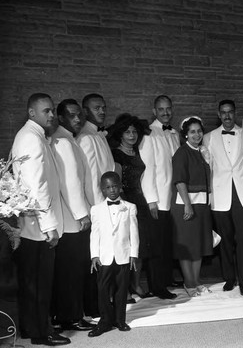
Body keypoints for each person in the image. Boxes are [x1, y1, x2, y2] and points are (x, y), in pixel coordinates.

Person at [11, 93, 70, 346]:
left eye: (52, 110)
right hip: (37, 227)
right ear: (31, 113)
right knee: (39, 283)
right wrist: (49, 226)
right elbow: (36, 186)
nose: (51, 115)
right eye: (46, 111)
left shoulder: (33, 136)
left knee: (36, 281)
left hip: (34, 225)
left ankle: (33, 327)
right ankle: (40, 332)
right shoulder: (31, 139)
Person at [51, 99, 95, 332]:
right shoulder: (64, 142)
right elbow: (70, 183)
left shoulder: (68, 139)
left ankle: (70, 314)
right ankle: (71, 317)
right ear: (61, 117)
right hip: (71, 220)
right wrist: (82, 214)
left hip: (72, 217)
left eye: (79, 115)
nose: (77, 119)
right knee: (73, 271)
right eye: (71, 115)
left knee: (74, 270)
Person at [203, 100, 243, 296]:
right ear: (218, 114)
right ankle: (229, 278)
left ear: (235, 113)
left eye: (230, 112)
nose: (227, 116)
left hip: (242, 194)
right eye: (223, 113)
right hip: (220, 194)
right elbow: (208, 168)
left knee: (242, 239)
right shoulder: (209, 137)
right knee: (225, 239)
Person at [107, 114, 158, 300]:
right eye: (127, 132)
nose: (132, 135)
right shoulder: (117, 154)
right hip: (125, 201)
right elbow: (116, 181)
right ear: (120, 134)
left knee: (140, 245)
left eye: (134, 131)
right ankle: (124, 289)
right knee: (125, 246)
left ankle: (136, 284)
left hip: (140, 200)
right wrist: (121, 206)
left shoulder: (137, 152)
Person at [77, 93, 115, 318]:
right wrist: (97, 211)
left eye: (103, 107)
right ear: (85, 111)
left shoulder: (99, 135)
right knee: (97, 260)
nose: (102, 111)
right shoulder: (86, 137)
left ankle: (104, 301)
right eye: (96, 108)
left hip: (107, 205)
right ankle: (95, 306)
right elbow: (91, 179)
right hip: (98, 208)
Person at [88, 171, 139, 337]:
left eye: (115, 186)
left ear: (120, 186)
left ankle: (120, 319)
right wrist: (94, 255)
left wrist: (134, 254)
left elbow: (134, 231)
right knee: (102, 290)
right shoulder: (96, 210)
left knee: (121, 289)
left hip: (123, 255)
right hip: (104, 257)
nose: (112, 190)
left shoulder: (130, 207)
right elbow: (94, 234)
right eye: (108, 187)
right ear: (102, 190)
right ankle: (104, 322)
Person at [139, 95, 179, 299]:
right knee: (156, 245)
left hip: (173, 198)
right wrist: (151, 200)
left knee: (167, 242)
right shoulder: (149, 135)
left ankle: (167, 278)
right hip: (158, 199)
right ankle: (157, 286)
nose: (165, 112)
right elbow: (147, 170)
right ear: (154, 111)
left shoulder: (174, 133)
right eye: (161, 109)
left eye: (168, 108)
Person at [170, 116, 213, 297]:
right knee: (187, 247)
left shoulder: (201, 152)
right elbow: (179, 181)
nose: (197, 134)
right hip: (186, 205)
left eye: (199, 131)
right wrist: (188, 205)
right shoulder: (182, 153)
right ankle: (189, 283)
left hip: (201, 205)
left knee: (198, 245)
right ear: (185, 135)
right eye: (192, 132)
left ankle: (196, 281)